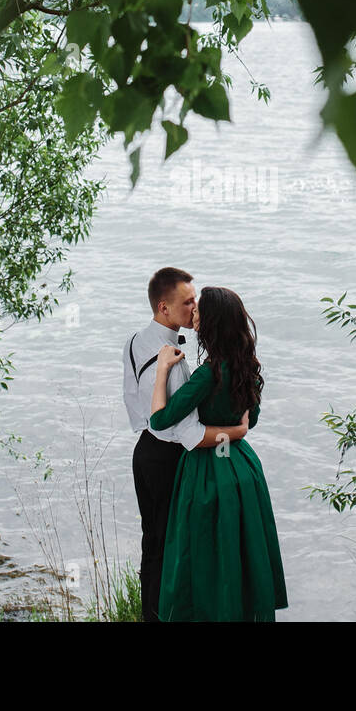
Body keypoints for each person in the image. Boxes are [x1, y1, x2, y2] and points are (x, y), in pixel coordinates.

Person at [149, 285, 287, 621]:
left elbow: (160, 419)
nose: (193, 312)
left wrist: (162, 371)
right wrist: (233, 431)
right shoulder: (247, 368)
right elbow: (248, 422)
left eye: (198, 310)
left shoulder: (207, 374)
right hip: (242, 468)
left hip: (208, 472)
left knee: (203, 556)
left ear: (210, 322)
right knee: (241, 553)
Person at [124, 267, 249, 623]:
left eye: (196, 301)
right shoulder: (174, 364)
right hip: (169, 459)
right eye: (188, 302)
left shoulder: (135, 341)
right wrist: (235, 432)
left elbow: (132, 401)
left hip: (145, 451)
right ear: (164, 307)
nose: (195, 308)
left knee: (154, 544)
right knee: (172, 548)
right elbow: (191, 434)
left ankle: (153, 613)